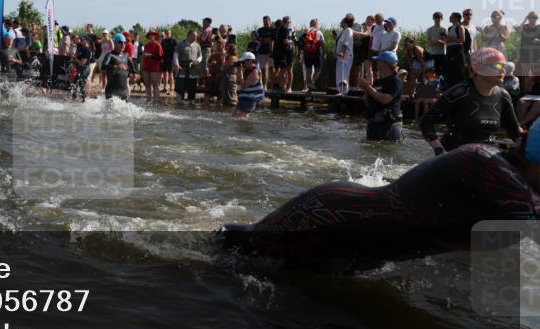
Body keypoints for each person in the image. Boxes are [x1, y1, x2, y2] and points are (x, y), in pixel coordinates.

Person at [219, 122, 540, 271]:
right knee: (236, 252)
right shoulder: (486, 162)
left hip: (357, 252)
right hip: (334, 216)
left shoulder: (516, 192)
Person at [420, 48, 522, 155]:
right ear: (479, 69)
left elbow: (515, 132)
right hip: (452, 155)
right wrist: (439, 150)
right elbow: (426, 121)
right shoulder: (459, 93)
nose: (503, 71)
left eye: (504, 66)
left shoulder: (503, 96)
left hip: (482, 154)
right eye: (498, 66)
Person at [358, 51, 404, 141]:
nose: (377, 62)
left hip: (389, 123)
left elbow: (385, 99)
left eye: (379, 60)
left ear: (386, 63)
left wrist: (368, 86)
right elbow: (366, 100)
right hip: (374, 122)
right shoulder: (378, 82)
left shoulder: (395, 81)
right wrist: (365, 89)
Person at [101, 33, 133, 101]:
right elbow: (103, 66)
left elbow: (132, 70)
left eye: (124, 43)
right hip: (111, 91)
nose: (123, 44)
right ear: (115, 43)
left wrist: (132, 75)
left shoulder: (126, 56)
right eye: (120, 42)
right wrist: (116, 66)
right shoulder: (110, 55)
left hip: (124, 92)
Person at [233, 52, 265, 118]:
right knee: (234, 116)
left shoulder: (255, 72)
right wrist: (239, 71)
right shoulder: (246, 69)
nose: (242, 64)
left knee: (242, 118)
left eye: (243, 62)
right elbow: (238, 82)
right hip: (244, 98)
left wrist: (240, 71)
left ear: (250, 61)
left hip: (250, 98)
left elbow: (244, 86)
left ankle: (248, 127)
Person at [515, 11, 540, 96]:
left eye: (534, 17)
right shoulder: (525, 27)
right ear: (528, 18)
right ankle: (526, 92)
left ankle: (534, 91)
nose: (532, 19)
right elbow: (518, 30)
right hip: (525, 52)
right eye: (530, 17)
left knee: (534, 74)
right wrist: (524, 20)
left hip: (535, 53)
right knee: (526, 74)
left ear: (537, 18)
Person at [174, 30, 202, 101]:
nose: (195, 38)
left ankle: (190, 108)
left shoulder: (197, 45)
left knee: (192, 91)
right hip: (182, 70)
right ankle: (179, 107)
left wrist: (197, 61)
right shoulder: (180, 44)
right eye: (194, 36)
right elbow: (175, 55)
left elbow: (200, 56)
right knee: (180, 91)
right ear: (188, 36)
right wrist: (177, 64)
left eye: (196, 37)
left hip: (193, 71)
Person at [298, 18, 325, 91]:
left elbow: (299, 43)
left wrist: (299, 54)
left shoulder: (304, 32)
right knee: (318, 69)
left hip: (306, 54)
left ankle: (308, 85)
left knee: (308, 70)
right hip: (316, 54)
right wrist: (324, 53)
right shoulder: (319, 32)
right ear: (316, 24)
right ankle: (312, 82)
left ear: (310, 24)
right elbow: (323, 44)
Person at [443, 11, 467, 89]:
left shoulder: (460, 27)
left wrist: (449, 38)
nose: (450, 18)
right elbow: (448, 41)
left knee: (458, 70)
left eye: (451, 16)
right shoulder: (450, 28)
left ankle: (459, 87)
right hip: (449, 49)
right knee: (449, 70)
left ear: (457, 18)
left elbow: (462, 40)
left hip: (456, 50)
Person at [335, 16, 355, 96]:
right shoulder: (343, 31)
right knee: (340, 73)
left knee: (343, 73)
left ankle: (343, 92)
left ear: (345, 22)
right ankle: (341, 91)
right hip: (341, 55)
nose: (340, 22)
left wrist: (342, 52)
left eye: (342, 20)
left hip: (345, 55)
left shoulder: (348, 31)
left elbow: (346, 42)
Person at [142, 31, 164, 102]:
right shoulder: (147, 45)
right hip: (146, 66)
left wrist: (150, 55)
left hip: (154, 67)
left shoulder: (158, 45)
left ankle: (156, 100)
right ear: (148, 37)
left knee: (155, 84)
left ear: (155, 37)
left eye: (153, 36)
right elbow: (144, 55)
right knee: (147, 84)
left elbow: (160, 58)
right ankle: (148, 99)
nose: (151, 37)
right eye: (150, 36)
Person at [255, 16, 274, 88]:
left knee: (271, 69)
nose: (265, 23)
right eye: (264, 22)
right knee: (263, 69)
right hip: (262, 52)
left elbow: (273, 39)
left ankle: (273, 86)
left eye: (266, 21)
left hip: (270, 52)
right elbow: (257, 38)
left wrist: (266, 40)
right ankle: (264, 86)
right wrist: (265, 40)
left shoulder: (273, 29)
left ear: (270, 21)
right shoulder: (260, 30)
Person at [160, 29, 177, 95]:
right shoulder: (163, 41)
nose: (167, 34)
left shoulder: (173, 40)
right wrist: (161, 58)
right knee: (164, 74)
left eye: (168, 33)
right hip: (164, 59)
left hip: (171, 59)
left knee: (170, 74)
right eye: (166, 33)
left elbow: (176, 50)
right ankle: (165, 88)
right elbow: (161, 51)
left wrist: (175, 59)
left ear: (170, 33)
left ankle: (171, 88)